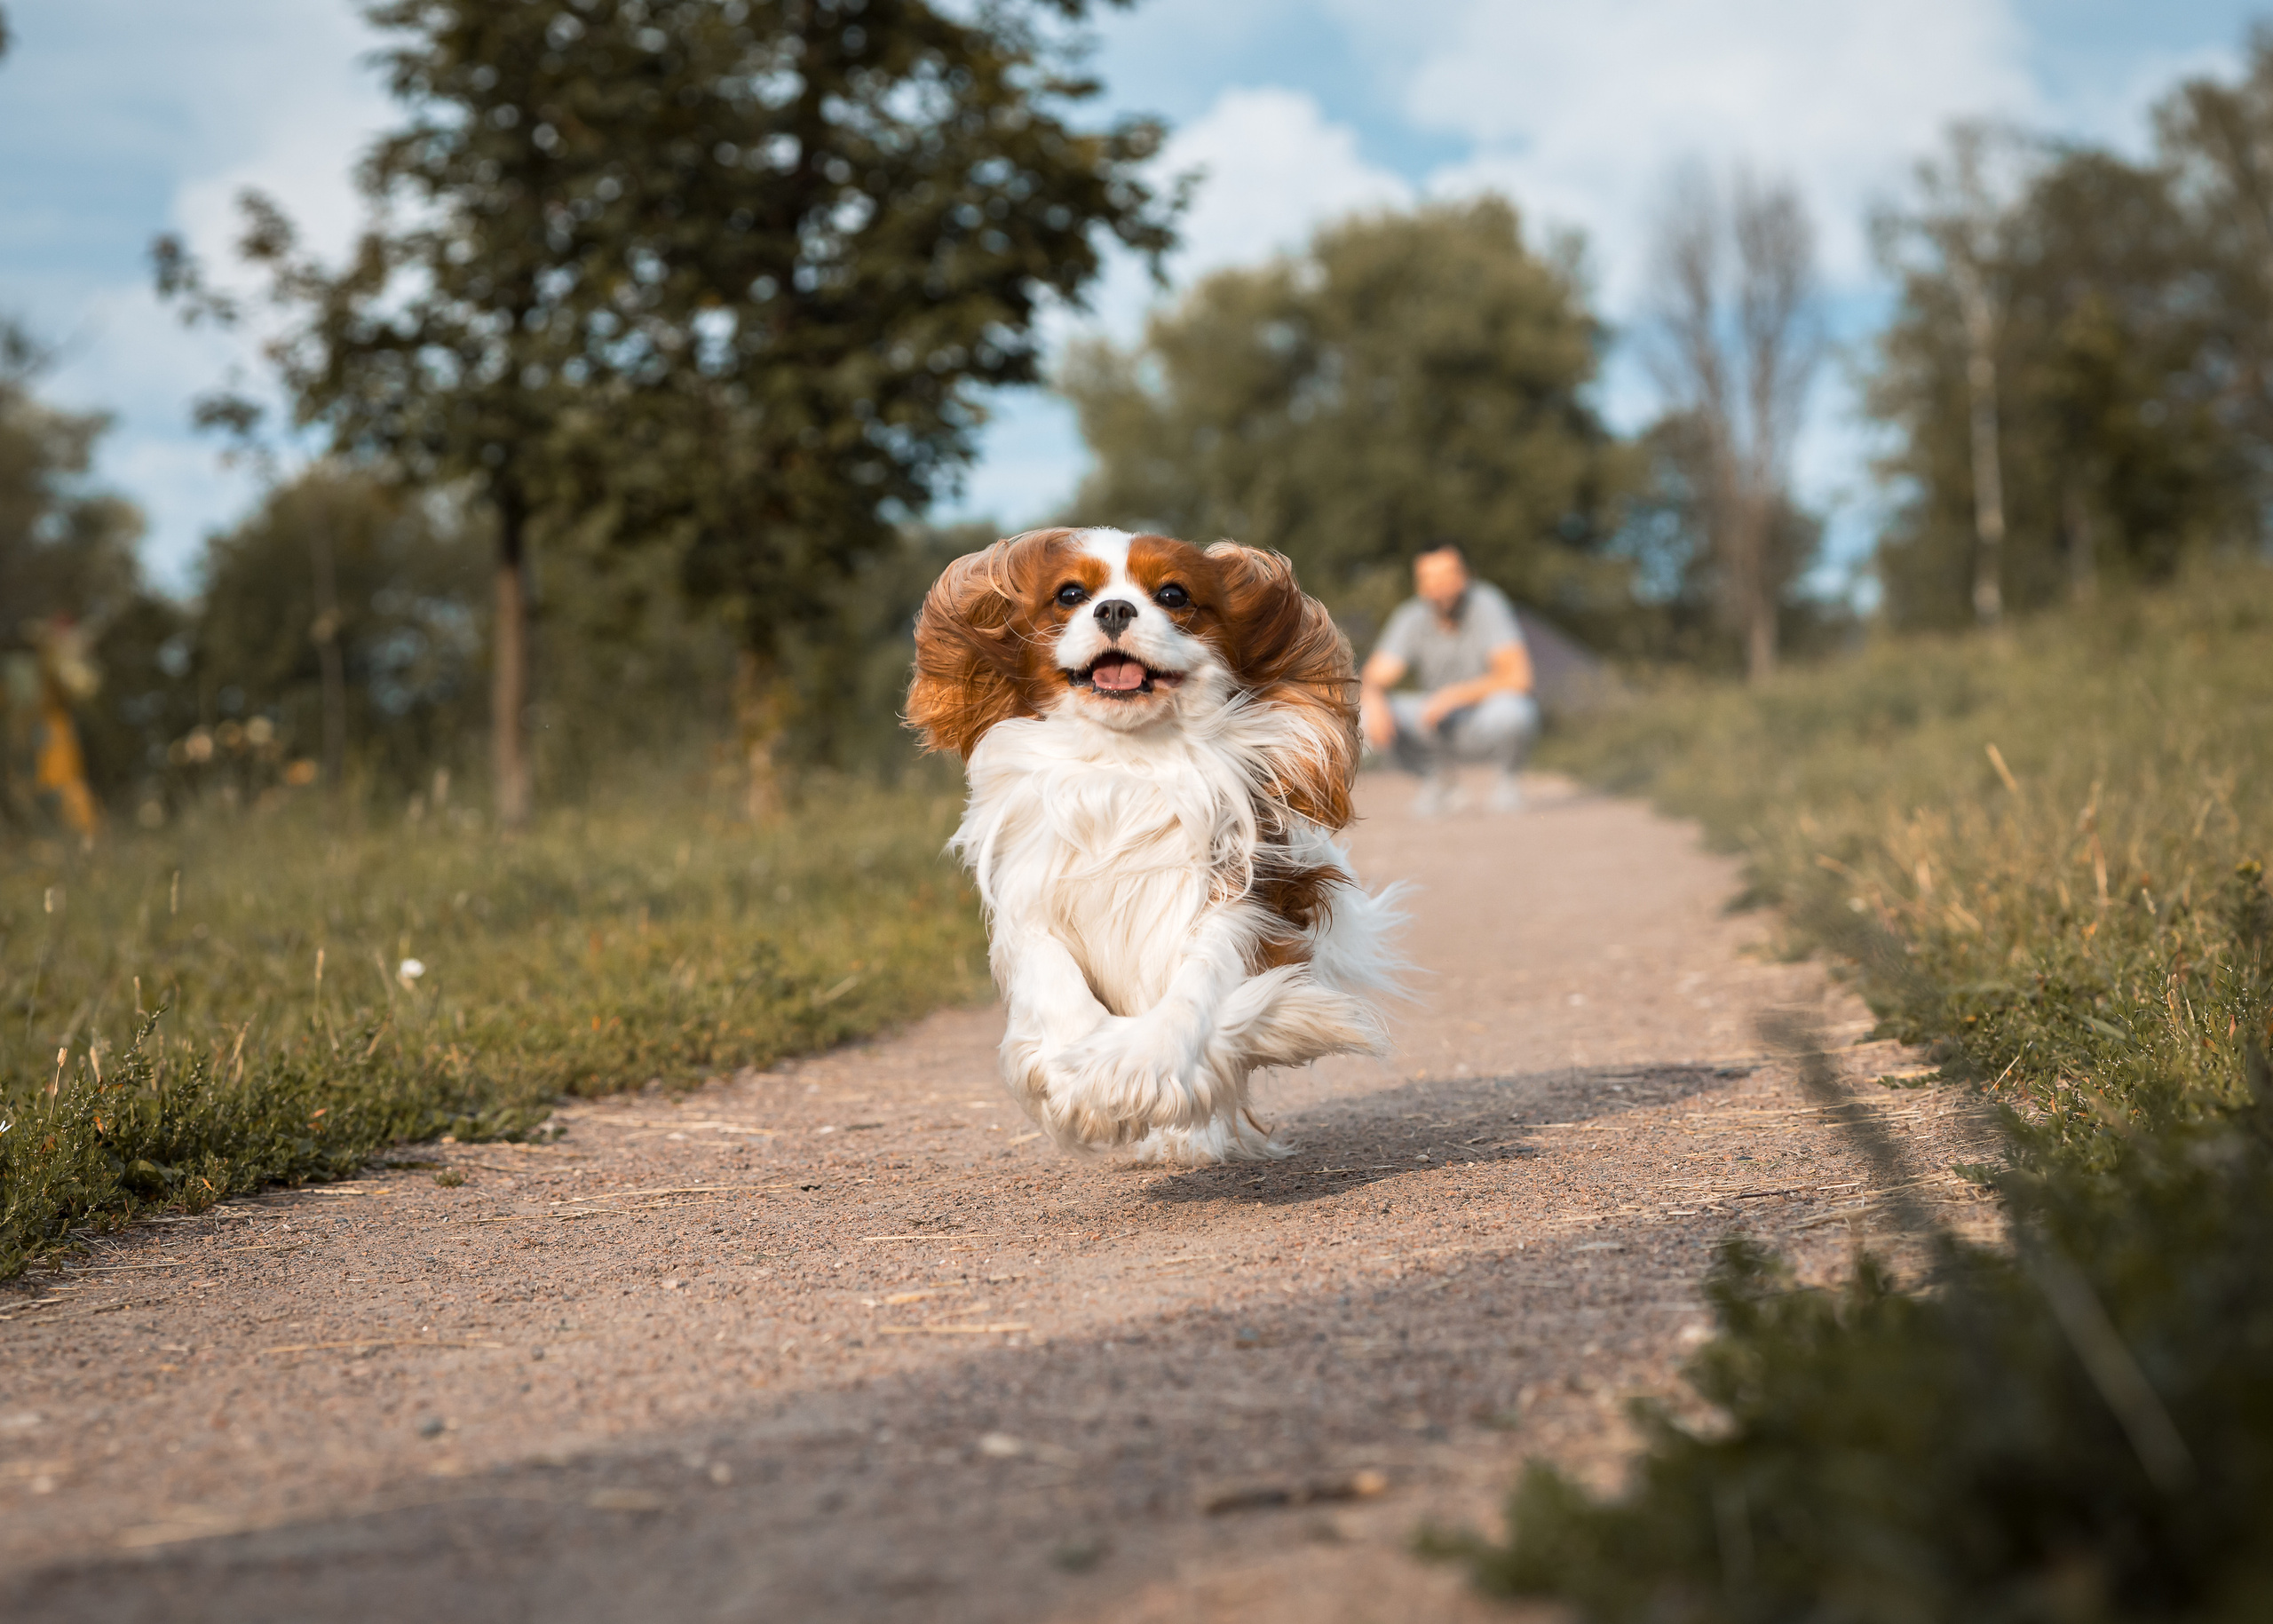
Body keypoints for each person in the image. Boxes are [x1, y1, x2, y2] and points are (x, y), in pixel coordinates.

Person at [1359, 543, 1538, 814]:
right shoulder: (1410, 616)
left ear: (1466, 576)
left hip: (1482, 715)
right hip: (1435, 721)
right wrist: (1374, 700)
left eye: (1447, 575)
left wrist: (1455, 695)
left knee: (1515, 710)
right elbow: (1374, 677)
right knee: (1364, 715)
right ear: (1418, 584)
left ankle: (1507, 784)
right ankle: (1438, 784)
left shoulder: (1487, 604)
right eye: (1428, 578)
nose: (1438, 586)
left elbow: (1519, 677)